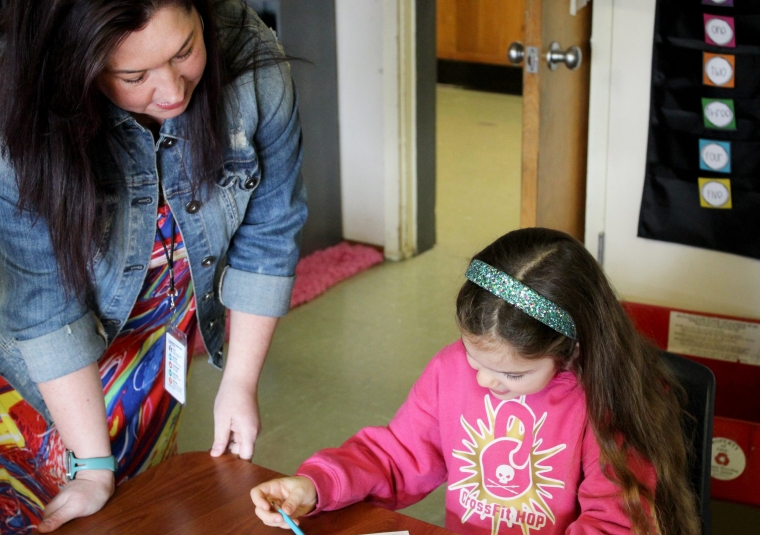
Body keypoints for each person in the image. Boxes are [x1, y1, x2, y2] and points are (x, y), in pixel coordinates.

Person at [0, 0, 306, 532]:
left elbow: (271, 231)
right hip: (35, 366)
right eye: (134, 75)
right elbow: (43, 299)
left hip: (155, 350)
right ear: (77, 65)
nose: (172, 92)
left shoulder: (249, 55)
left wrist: (239, 381)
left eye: (185, 51)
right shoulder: (19, 104)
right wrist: (93, 465)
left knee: (139, 510)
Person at [251, 228, 700, 535]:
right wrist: (316, 485)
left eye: (513, 373)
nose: (485, 380)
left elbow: (615, 522)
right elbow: (396, 456)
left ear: (572, 351)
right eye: (473, 355)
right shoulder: (451, 371)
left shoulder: (605, 401)